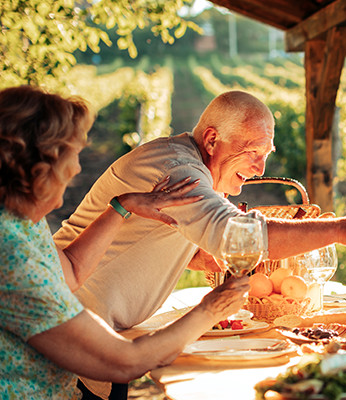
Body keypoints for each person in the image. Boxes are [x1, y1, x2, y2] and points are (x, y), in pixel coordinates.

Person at [53, 90, 346, 398]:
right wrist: (342, 229)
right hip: (68, 331)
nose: (260, 166)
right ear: (211, 140)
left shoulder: (187, 163)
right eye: (252, 151)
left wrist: (202, 256)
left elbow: (173, 239)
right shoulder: (180, 171)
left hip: (89, 328)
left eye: (266, 153)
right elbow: (236, 233)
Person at [0, 85, 250, 400]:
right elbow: (123, 362)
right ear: (39, 165)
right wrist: (211, 309)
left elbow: (72, 272)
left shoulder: (20, 222)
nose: (77, 168)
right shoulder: (11, 254)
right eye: (72, 155)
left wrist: (122, 206)